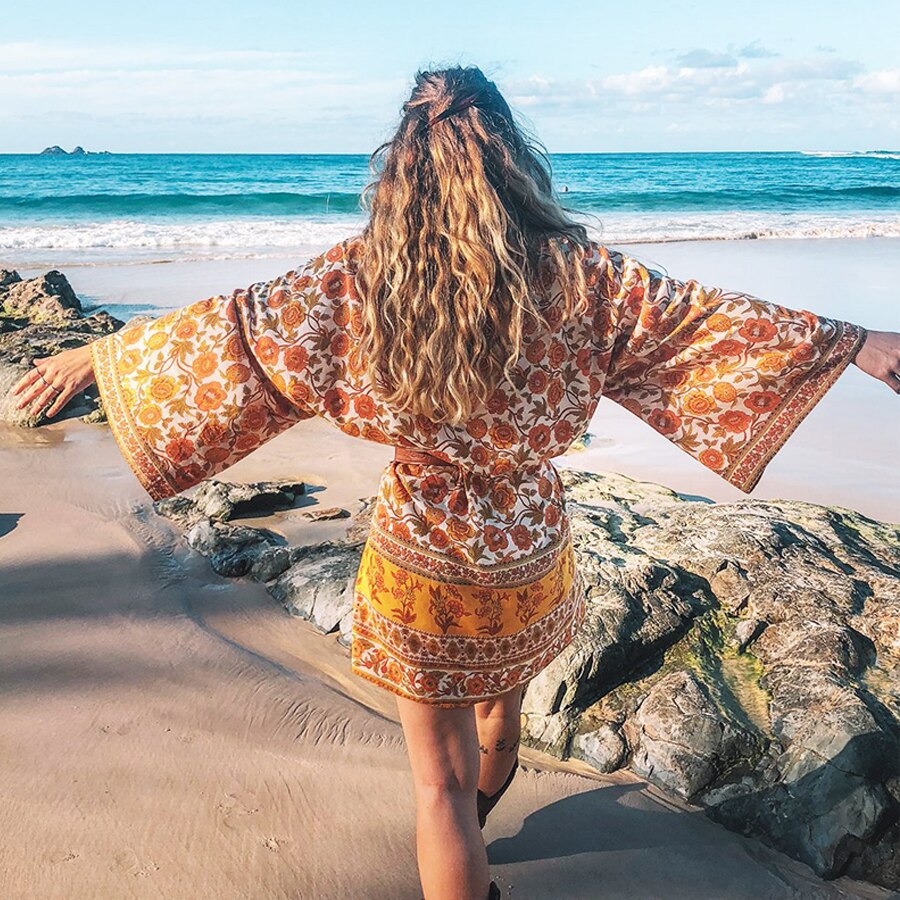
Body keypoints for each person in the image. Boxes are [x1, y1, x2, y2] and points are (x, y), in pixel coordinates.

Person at [10, 65, 900, 900]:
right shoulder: (581, 273)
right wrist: (851, 342)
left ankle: (463, 846)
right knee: (499, 724)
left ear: (398, 165)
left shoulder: (356, 279)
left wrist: (102, 352)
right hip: (526, 543)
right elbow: (704, 319)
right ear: (513, 157)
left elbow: (236, 332)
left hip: (419, 552)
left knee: (434, 787)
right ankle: (480, 831)